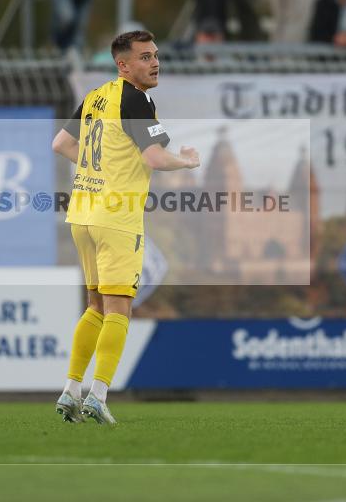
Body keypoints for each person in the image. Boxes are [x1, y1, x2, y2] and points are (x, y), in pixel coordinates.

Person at [51, 30, 200, 425]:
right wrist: (186, 160)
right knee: (119, 308)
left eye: (155, 55)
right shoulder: (136, 100)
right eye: (145, 57)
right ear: (124, 65)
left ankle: (70, 389)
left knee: (95, 306)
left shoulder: (98, 96)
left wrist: (95, 168)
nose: (154, 63)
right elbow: (154, 158)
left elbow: (60, 145)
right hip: (116, 218)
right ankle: (98, 395)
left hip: (83, 214)